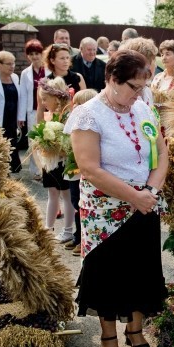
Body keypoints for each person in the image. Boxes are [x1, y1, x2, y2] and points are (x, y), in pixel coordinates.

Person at [64, 49, 168, 347]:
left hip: (144, 204)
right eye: (133, 87)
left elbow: (162, 154)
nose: (138, 94)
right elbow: (90, 168)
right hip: (105, 210)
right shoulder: (89, 115)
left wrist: (149, 191)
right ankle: (108, 336)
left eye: (141, 88)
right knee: (107, 272)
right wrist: (132, 196)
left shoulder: (143, 109)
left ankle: (135, 331)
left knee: (142, 269)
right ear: (111, 79)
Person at [36, 77, 75, 244]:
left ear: (56, 98)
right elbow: (39, 126)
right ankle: (48, 228)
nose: (43, 103)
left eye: (45, 99)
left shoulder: (67, 114)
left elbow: (68, 140)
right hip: (50, 161)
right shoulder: (49, 114)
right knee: (52, 192)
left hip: (63, 161)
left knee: (67, 195)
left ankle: (67, 230)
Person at [65, 88, 99, 257]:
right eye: (74, 103)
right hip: (73, 170)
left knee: (81, 204)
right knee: (74, 202)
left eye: (79, 103)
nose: (75, 106)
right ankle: (78, 236)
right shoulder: (73, 120)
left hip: (84, 172)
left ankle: (81, 238)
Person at [19, 39, 46, 179]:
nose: (35, 56)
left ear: (42, 54)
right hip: (32, 111)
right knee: (34, 141)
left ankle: (47, 168)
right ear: (28, 56)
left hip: (47, 110)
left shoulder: (48, 69)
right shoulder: (25, 73)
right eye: (31, 54)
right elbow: (23, 95)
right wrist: (20, 117)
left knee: (47, 139)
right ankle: (36, 170)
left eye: (37, 53)